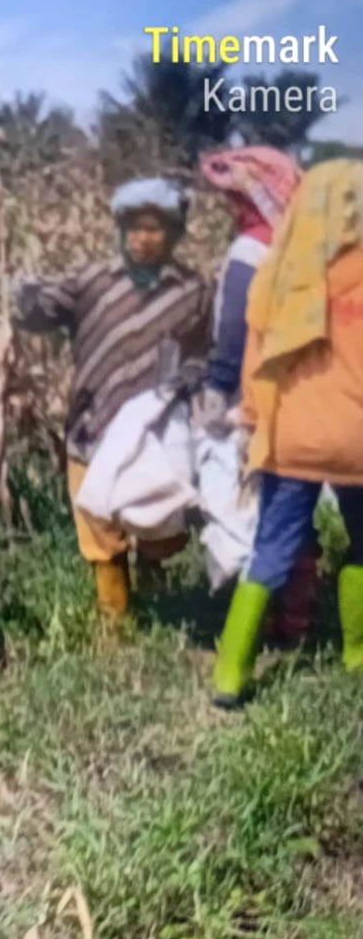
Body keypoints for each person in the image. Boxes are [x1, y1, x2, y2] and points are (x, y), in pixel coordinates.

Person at [12, 177, 213, 622]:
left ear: (175, 234)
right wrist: (25, 294)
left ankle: (162, 604)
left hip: (156, 433)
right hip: (93, 424)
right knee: (98, 526)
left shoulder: (192, 291)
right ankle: (115, 621)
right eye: (134, 228)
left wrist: (187, 386)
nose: (143, 239)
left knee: (158, 521)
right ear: (120, 230)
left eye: (155, 228)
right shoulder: (92, 282)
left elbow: (205, 352)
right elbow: (37, 312)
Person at [211, 159, 363, 709]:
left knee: (270, 550)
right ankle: (355, 654)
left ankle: (230, 674)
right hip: (357, 439)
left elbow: (256, 365)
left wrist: (252, 417)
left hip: (294, 437)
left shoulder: (280, 275)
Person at [198, 146, 314, 647]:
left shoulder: (250, 252)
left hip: (257, 400)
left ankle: (260, 630)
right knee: (298, 512)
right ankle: (301, 619)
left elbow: (232, 334)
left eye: (232, 198)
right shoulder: (314, 247)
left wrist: (216, 389)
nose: (227, 208)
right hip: (309, 399)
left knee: (262, 513)